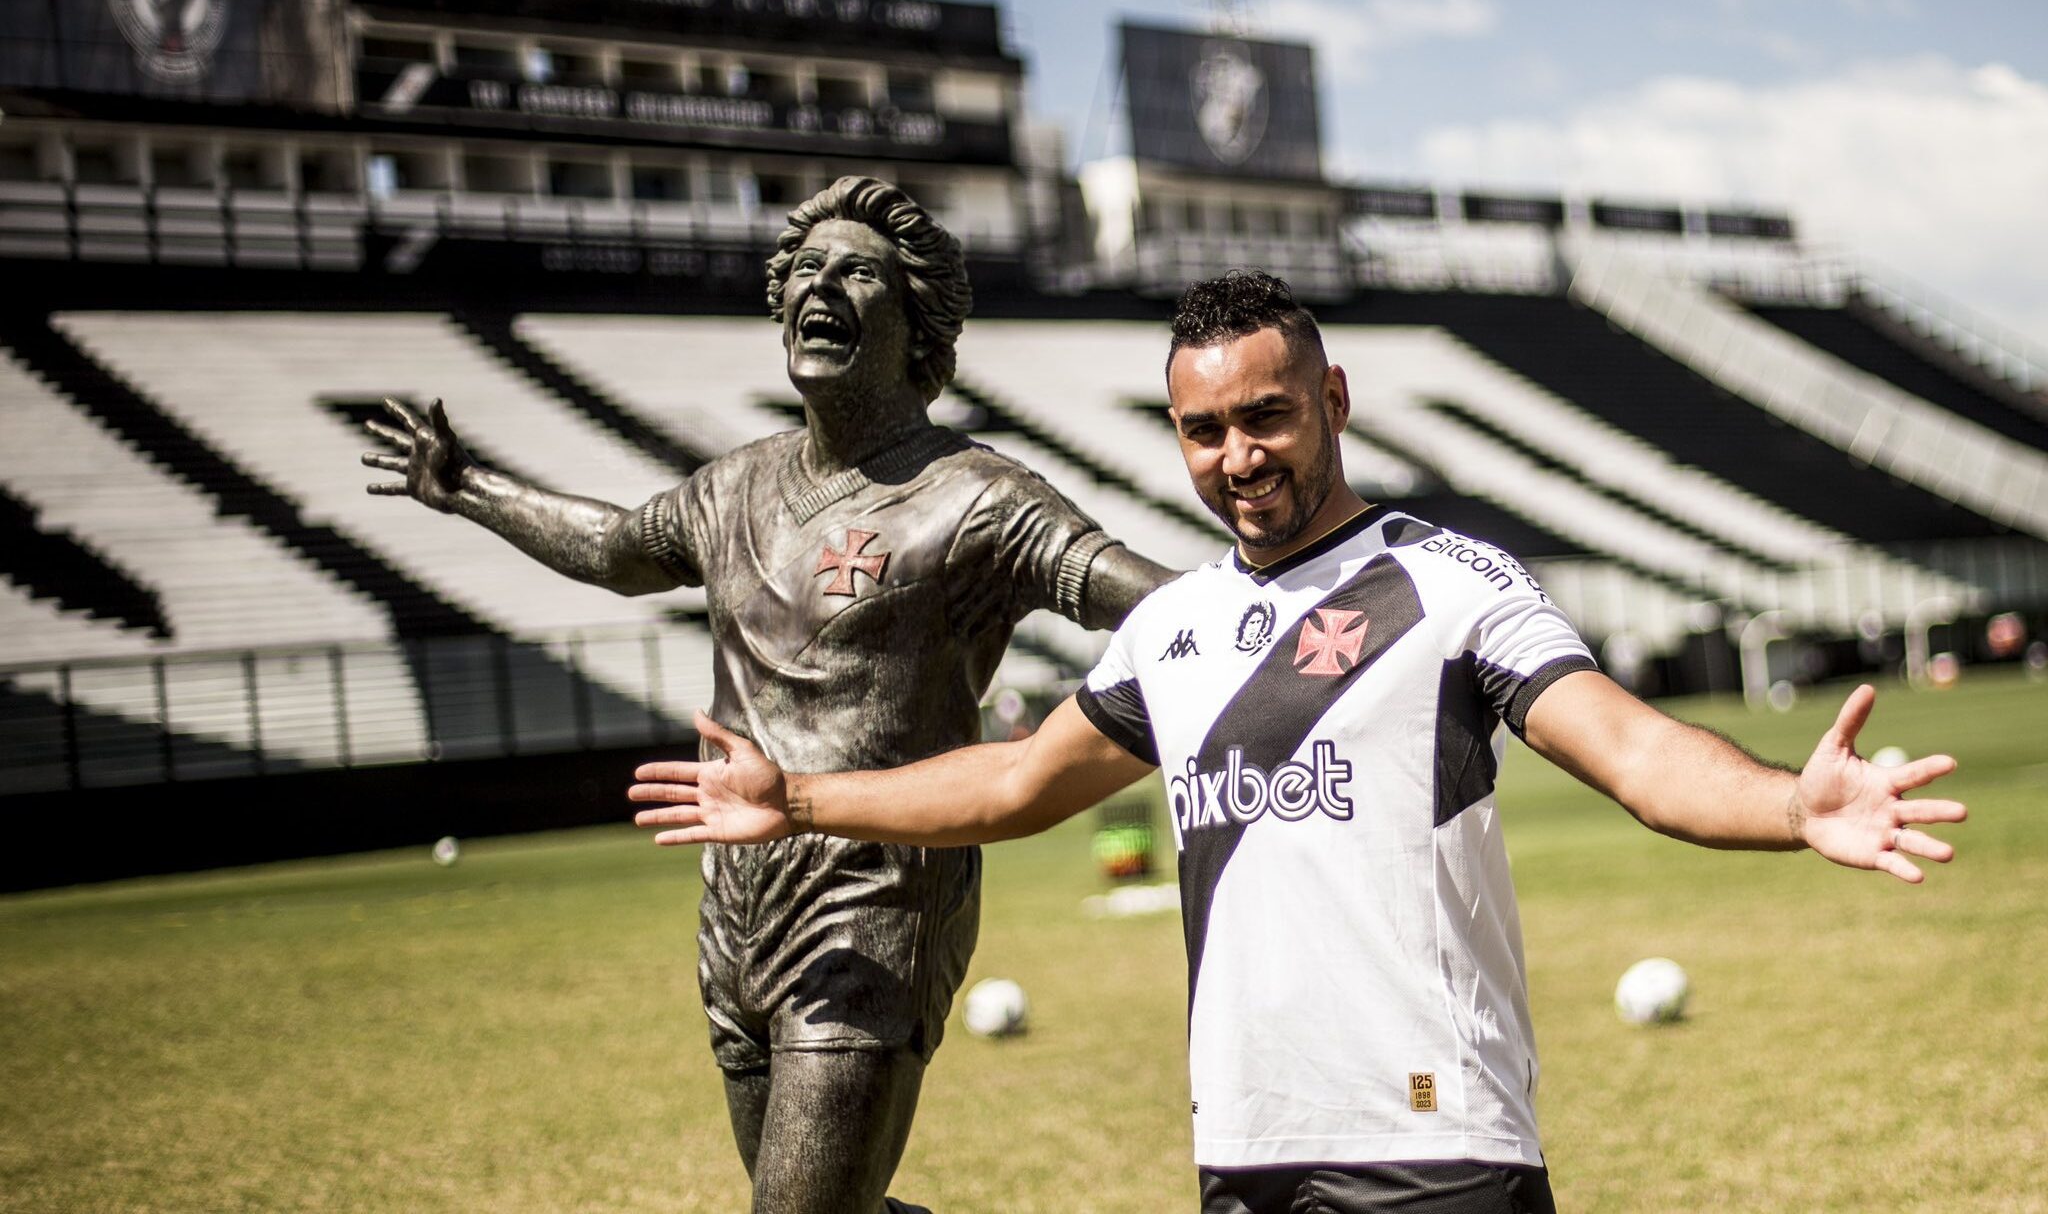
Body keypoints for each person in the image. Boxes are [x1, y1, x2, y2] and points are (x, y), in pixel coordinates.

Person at [627, 270, 1968, 1214]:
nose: (1238, 456)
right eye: (1204, 431)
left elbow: (1631, 750)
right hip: (1248, 1144)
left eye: (1265, 416)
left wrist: (1793, 806)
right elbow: (1021, 781)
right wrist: (798, 795)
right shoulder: (1175, 624)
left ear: (1332, 395)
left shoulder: (1450, 584)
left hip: (1433, 1141)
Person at [361, 176, 1172, 1214]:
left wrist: (1290, 627)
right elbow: (613, 547)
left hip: (877, 897)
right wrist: (465, 488)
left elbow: (1154, 608)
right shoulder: (729, 488)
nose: (817, 285)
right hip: (736, 900)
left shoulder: (978, 497)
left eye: (856, 271)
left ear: (914, 318)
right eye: (803, 269)